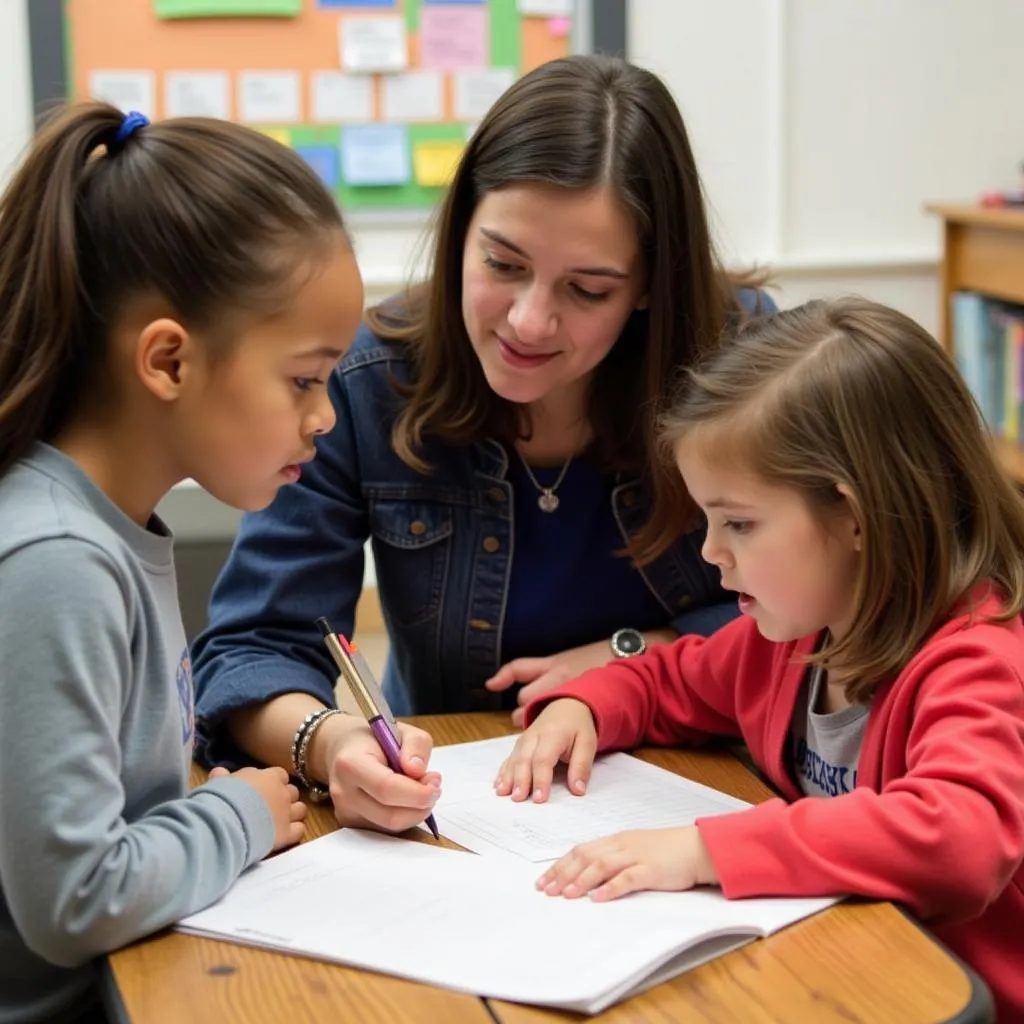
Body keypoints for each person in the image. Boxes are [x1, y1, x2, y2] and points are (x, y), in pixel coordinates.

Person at [191, 54, 775, 834]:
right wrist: (330, 744)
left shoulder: (743, 364)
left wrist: (643, 653)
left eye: (588, 290)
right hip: (473, 805)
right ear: (460, 229)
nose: (530, 322)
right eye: (503, 264)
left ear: (648, 288)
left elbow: (840, 611)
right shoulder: (365, 380)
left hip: (702, 786)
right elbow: (253, 647)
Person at [495, 298, 1024, 1022]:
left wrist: (703, 853)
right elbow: (669, 678)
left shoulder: (979, 659)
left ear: (855, 516)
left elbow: (958, 839)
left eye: (738, 523)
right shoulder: (800, 634)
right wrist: (582, 705)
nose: (711, 553)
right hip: (841, 969)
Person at [0, 101, 367, 1023]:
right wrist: (237, 816)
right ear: (168, 361)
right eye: (304, 379)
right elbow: (75, 900)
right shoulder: (56, 563)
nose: (324, 417)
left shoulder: (107, 528)